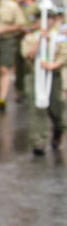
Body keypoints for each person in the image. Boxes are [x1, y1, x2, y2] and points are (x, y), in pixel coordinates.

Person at [21, 8, 67, 155]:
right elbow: (28, 55)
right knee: (37, 109)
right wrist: (40, 39)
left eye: (49, 19)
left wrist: (53, 65)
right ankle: (39, 141)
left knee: (56, 110)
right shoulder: (31, 37)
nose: (45, 22)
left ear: (54, 21)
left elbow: (64, 55)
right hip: (35, 76)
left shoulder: (60, 37)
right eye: (42, 19)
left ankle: (59, 129)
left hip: (54, 76)